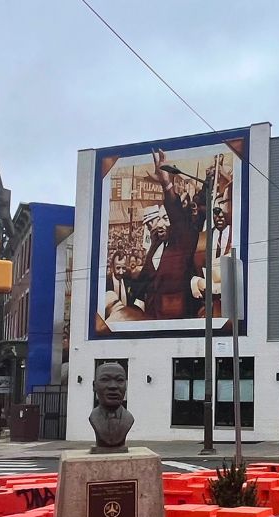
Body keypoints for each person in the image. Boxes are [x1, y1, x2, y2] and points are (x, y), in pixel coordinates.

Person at [137, 150, 200, 320]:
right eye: (159, 218)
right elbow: (144, 279)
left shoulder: (184, 240)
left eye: (166, 218)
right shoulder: (156, 243)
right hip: (151, 321)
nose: (160, 224)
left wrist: (167, 184)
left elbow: (177, 216)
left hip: (177, 320)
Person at [191, 182, 233, 317]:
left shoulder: (239, 237)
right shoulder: (201, 239)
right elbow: (191, 270)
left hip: (232, 309)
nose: (220, 215)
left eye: (223, 210)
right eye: (216, 210)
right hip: (207, 309)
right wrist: (195, 282)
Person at [89, 362, 134, 451]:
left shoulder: (128, 418)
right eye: (105, 379)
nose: (113, 386)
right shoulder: (93, 417)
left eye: (120, 380)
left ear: (126, 386)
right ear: (94, 386)